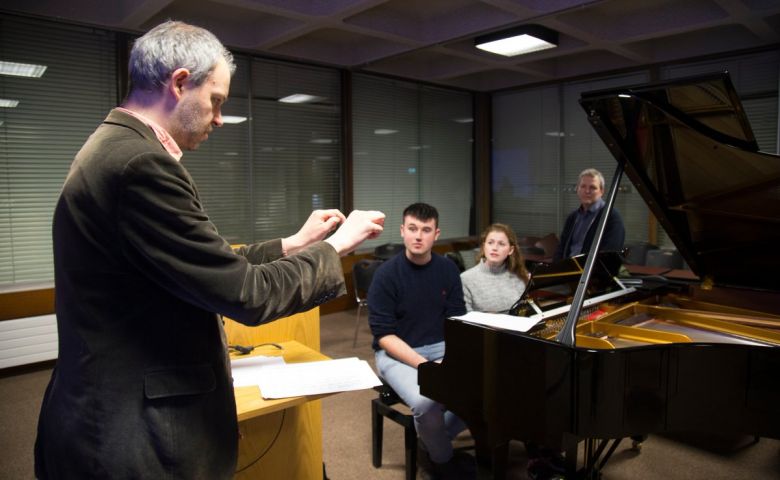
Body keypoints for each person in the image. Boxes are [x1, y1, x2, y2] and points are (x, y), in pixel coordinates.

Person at [34, 20, 385, 480]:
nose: (219, 118)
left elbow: (202, 264)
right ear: (180, 83)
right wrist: (338, 246)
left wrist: (292, 244)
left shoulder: (115, 145)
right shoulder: (141, 164)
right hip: (130, 432)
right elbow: (246, 294)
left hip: (104, 408)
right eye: (216, 100)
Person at [368, 203, 472, 478]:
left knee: (486, 383)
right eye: (412, 229)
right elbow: (384, 335)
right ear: (402, 231)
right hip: (395, 352)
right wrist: (427, 366)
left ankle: (432, 436)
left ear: (436, 234)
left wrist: (450, 357)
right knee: (426, 402)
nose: (418, 236)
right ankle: (443, 461)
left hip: (441, 345)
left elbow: (456, 321)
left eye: (425, 230)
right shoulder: (385, 275)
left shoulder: (448, 269)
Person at [553, 168, 625, 262]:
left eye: (592, 187)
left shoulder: (611, 217)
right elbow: (561, 248)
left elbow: (609, 256)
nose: (587, 191)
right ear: (577, 189)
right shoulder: (573, 217)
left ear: (602, 191)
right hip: (568, 271)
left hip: (592, 274)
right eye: (583, 186)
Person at [460, 223, 529, 313]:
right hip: (481, 327)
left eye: (501, 244)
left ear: (511, 250)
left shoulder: (519, 276)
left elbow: (525, 311)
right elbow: (465, 319)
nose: (495, 248)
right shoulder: (465, 279)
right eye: (490, 243)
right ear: (484, 246)